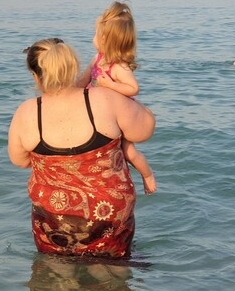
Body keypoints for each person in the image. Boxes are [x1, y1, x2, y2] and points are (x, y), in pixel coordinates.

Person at [8, 38, 155, 258]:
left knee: (56, 273)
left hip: (53, 221)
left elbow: (19, 160)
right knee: (112, 274)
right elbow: (144, 131)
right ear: (73, 66)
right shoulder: (105, 98)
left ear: (35, 75)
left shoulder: (27, 112)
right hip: (109, 215)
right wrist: (118, 90)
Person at [76, 1, 157, 195]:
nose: (93, 38)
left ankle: (147, 176)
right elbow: (82, 81)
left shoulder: (119, 66)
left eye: (95, 34)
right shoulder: (97, 58)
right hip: (103, 115)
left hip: (121, 118)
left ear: (105, 39)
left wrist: (110, 85)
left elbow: (133, 88)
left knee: (129, 152)